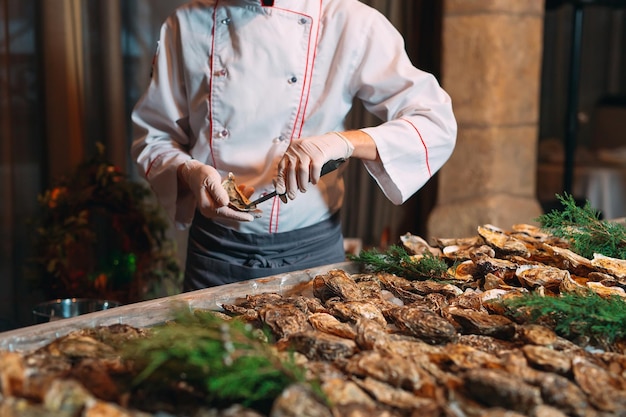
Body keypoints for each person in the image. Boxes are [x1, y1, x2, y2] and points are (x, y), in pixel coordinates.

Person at [131, 0, 457, 291]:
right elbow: (154, 137)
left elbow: (435, 122)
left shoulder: (349, 20)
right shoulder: (186, 22)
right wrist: (189, 172)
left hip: (312, 252)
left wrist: (343, 142)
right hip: (215, 253)